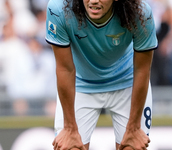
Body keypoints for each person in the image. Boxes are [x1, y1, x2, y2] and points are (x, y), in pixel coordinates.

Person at [45, 0, 157, 149]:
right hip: (80, 84)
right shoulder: (58, 9)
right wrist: (70, 128)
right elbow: (65, 69)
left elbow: (142, 69)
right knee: (70, 146)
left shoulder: (141, 13)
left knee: (132, 145)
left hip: (127, 82)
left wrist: (135, 127)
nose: (94, 1)